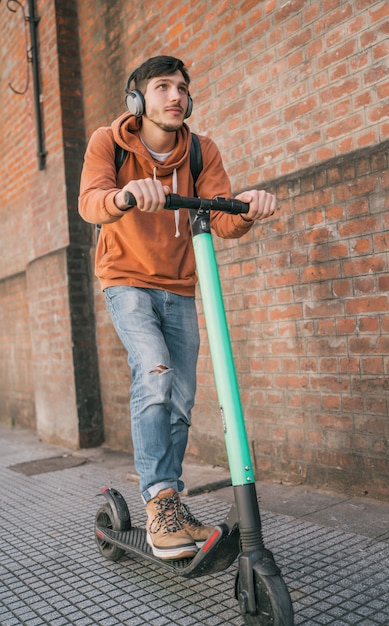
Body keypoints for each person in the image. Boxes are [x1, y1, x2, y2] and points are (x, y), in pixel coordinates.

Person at [78, 55, 276, 561]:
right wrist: (125, 196)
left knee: (183, 396)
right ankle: (160, 500)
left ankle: (170, 500)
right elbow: (90, 201)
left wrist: (247, 208)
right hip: (126, 280)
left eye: (182, 88)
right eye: (162, 87)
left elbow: (221, 218)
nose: (175, 96)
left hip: (181, 285)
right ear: (137, 99)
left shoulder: (200, 152)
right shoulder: (110, 142)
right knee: (156, 372)